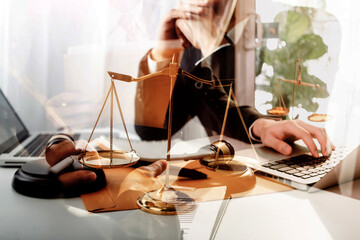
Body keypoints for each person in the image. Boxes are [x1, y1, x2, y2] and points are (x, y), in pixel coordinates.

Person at [134, 0, 335, 158]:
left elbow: (221, 103)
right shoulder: (186, 40)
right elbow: (151, 132)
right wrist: (163, 51)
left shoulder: (269, 28)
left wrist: (262, 126)